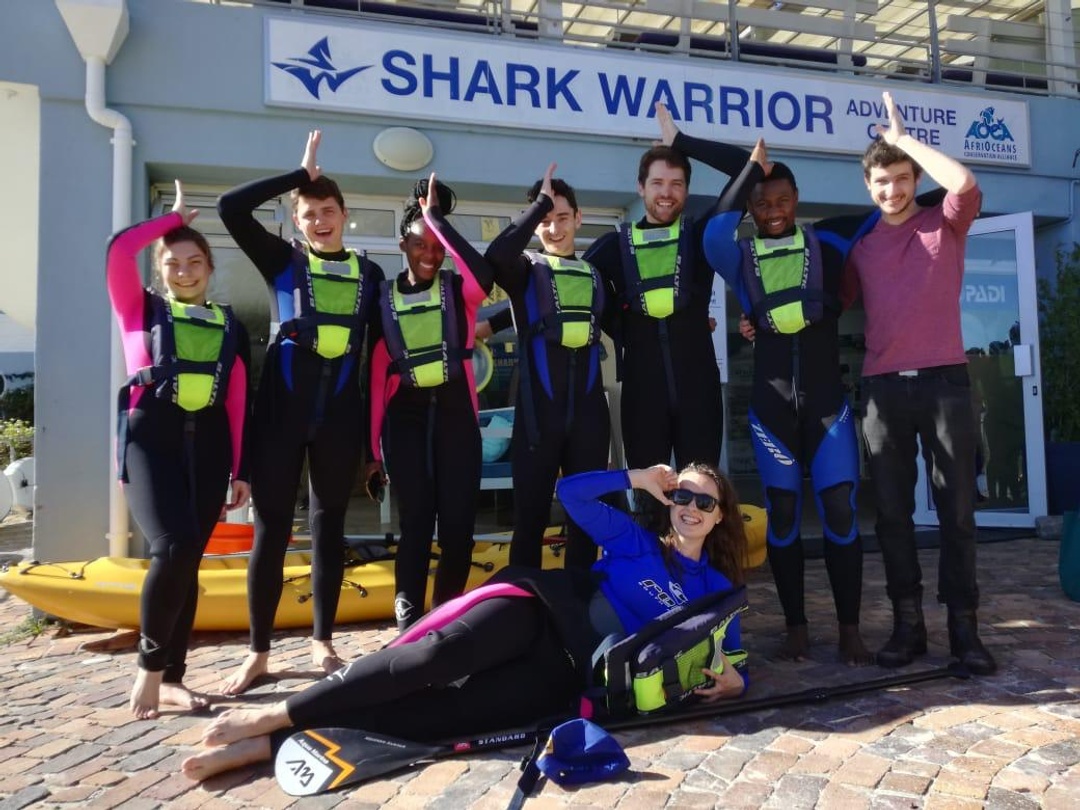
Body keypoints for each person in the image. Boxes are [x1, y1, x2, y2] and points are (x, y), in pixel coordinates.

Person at [181, 463, 748, 781]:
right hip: (541, 615)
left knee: (447, 716)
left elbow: (734, 660)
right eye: (682, 495)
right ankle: (276, 712)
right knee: (433, 658)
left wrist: (734, 682)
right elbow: (571, 493)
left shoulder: (717, 591)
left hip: (568, 674)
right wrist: (636, 477)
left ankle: (272, 743)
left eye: (705, 502)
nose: (690, 507)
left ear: (720, 515)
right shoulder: (636, 541)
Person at [679, 116, 873, 665]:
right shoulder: (739, 257)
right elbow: (714, 231)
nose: (772, 211)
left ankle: (851, 629)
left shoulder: (828, 242)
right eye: (761, 203)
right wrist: (748, 170)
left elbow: (896, 205)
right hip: (771, 411)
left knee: (839, 511)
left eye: (782, 200)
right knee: (783, 515)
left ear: (796, 200)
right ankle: (796, 628)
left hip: (828, 409)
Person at [217, 131, 384, 695]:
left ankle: (322, 642)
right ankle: (258, 653)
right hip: (279, 416)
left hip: (339, 419)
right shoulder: (281, 260)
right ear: (296, 220)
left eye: (328, 211)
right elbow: (230, 208)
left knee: (328, 528)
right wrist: (299, 175)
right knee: (270, 532)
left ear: (344, 215)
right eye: (309, 213)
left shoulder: (369, 276)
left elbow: (385, 354)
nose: (320, 221)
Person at [843, 91, 996, 675]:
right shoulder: (860, 250)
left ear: (915, 179)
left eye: (902, 178)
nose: (893, 190)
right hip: (882, 389)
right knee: (891, 515)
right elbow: (823, 306)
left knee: (956, 511)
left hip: (946, 384)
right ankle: (908, 626)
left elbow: (964, 183)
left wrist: (905, 140)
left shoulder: (946, 223)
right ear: (869, 187)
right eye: (882, 181)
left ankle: (964, 629)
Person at [108, 181, 251, 718]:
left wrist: (241, 468)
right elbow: (119, 250)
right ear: (159, 270)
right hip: (151, 440)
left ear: (210, 268)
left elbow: (238, 400)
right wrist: (169, 223)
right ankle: (149, 669)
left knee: (189, 557)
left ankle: (173, 678)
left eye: (195, 262)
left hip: (210, 445)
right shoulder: (137, 307)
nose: (185, 272)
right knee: (171, 547)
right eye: (173, 263)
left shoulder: (230, 324)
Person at [582, 105, 749, 471]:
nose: (666, 193)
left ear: (687, 190)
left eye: (677, 184)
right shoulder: (613, 247)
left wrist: (682, 142)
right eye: (657, 183)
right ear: (640, 187)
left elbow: (747, 168)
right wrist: (621, 324)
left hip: (699, 393)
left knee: (702, 491)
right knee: (649, 497)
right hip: (642, 398)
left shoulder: (700, 236)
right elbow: (565, 283)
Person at [368, 174, 496, 632]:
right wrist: (372, 451)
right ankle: (407, 610)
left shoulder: (458, 291)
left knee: (458, 522)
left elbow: (484, 275)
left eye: (436, 246)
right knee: (417, 519)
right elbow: (375, 378)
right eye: (420, 244)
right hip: (404, 418)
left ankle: (445, 611)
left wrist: (437, 221)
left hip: (457, 415)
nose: (430, 254)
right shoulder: (381, 299)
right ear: (402, 245)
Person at [481, 162, 611, 570]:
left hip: (590, 416)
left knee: (585, 517)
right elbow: (496, 255)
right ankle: (524, 599)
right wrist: (538, 205)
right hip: (538, 417)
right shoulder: (524, 271)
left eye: (562, 218)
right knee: (530, 519)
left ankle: (578, 598)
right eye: (545, 221)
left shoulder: (595, 275)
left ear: (578, 219)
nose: (554, 228)